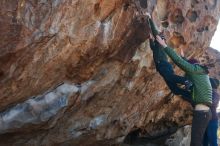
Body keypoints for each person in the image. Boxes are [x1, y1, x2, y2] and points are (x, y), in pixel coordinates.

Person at [156, 35, 212, 146]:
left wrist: (164, 45)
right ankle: (173, 81)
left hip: (202, 113)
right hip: (202, 110)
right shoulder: (201, 74)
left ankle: (173, 79)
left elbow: (180, 63)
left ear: (193, 66)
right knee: (178, 89)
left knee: (195, 143)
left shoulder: (196, 70)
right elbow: (187, 64)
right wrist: (184, 58)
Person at [147, 15, 192, 102]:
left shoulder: (160, 43)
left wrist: (149, 18)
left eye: (158, 37)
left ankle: (186, 81)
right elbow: (153, 48)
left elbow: (154, 31)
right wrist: (150, 39)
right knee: (174, 89)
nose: (157, 37)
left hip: (163, 65)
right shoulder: (157, 46)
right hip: (163, 66)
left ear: (160, 39)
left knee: (170, 77)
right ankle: (189, 95)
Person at [203, 78, 220, 146]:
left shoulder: (215, 94)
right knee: (204, 141)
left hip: (212, 120)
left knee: (213, 142)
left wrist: (202, 101)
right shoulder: (208, 92)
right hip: (205, 120)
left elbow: (213, 103)